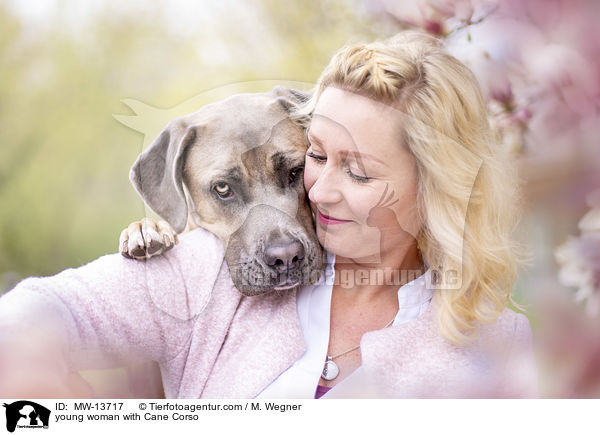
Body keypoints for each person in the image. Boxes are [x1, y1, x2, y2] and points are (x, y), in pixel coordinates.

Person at [0, 32, 537, 399]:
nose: (319, 191)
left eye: (359, 173)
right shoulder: (197, 270)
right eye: (317, 158)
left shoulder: (498, 343)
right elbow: (31, 315)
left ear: (436, 185)